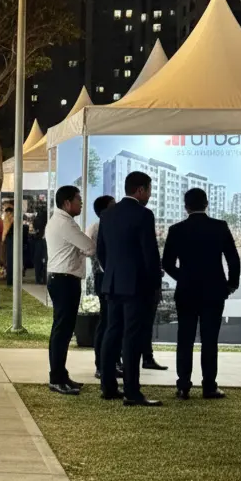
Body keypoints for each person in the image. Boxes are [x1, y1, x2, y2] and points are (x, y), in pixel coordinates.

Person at [162, 187, 239, 400]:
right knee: (210, 340)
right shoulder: (220, 227)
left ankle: (183, 386)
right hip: (214, 291)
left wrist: (183, 277)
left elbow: (167, 263)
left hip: (186, 291)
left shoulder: (176, 230)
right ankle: (209, 387)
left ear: (185, 207)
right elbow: (233, 259)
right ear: (206, 204)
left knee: (184, 339)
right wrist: (231, 284)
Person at [97, 171, 164, 407]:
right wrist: (155, 283)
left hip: (113, 283)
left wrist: (113, 272)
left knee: (111, 333)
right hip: (136, 286)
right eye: (149, 189)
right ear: (140, 190)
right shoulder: (144, 215)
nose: (149, 194)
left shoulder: (107, 214)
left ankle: (107, 387)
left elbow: (101, 251)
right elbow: (150, 253)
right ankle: (132, 392)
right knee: (132, 337)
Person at [45, 185, 96, 395]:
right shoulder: (66, 224)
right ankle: (56, 377)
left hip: (62, 279)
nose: (81, 203)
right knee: (61, 331)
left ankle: (61, 374)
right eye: (78, 199)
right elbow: (90, 247)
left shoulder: (60, 221)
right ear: (67, 203)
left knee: (63, 330)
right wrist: (82, 252)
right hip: (64, 280)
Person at [86, 195, 118, 380]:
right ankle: (101, 365)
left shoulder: (111, 226)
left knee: (113, 322)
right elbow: (91, 251)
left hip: (112, 278)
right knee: (106, 322)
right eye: (113, 206)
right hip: (103, 278)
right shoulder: (96, 227)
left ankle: (113, 363)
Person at [31, 208, 48, 284]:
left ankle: (38, 279)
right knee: (45, 260)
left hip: (39, 240)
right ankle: (44, 278)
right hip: (45, 240)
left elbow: (35, 226)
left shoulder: (37, 219)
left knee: (37, 260)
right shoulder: (47, 217)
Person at [1, 206, 15, 287]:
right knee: (11, 261)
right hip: (11, 241)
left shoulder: (8, 220)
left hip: (10, 242)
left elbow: (5, 231)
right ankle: (11, 279)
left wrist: (3, 240)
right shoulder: (12, 220)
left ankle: (10, 280)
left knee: (10, 261)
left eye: (6, 213)